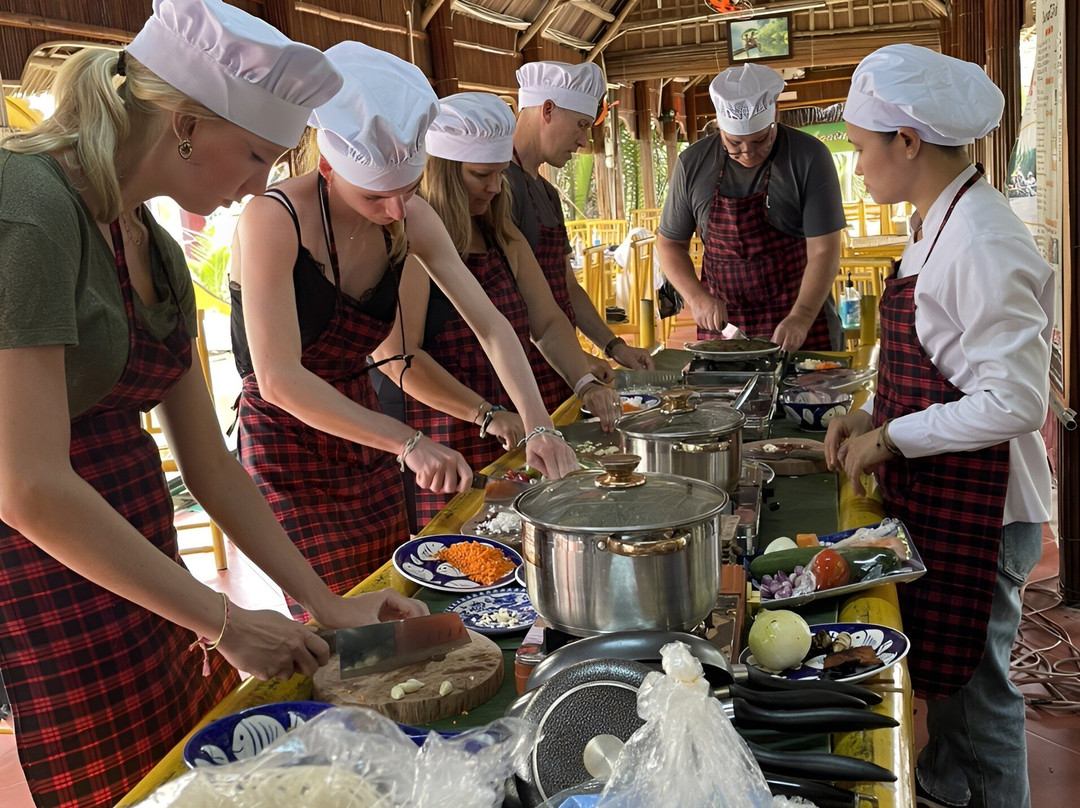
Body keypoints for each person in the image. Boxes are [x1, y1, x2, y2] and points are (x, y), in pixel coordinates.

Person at [0, 2, 428, 806]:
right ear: (188, 126)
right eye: (258, 154)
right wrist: (225, 622)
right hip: (49, 574)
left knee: (181, 776)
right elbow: (25, 485)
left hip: (145, 560)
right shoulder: (26, 204)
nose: (260, 184)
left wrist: (328, 606)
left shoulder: (149, 239)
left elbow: (210, 464)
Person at [231, 43, 578, 605]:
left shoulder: (412, 215)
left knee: (395, 596)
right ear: (326, 166)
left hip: (365, 433)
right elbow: (278, 379)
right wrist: (408, 441)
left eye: (408, 189)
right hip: (287, 439)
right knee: (336, 611)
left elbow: (492, 326)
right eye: (375, 196)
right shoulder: (273, 219)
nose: (396, 212)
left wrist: (538, 425)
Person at [824, 44, 1052, 808]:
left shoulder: (984, 239)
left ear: (909, 143)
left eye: (860, 149)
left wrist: (889, 438)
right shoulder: (936, 219)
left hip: (987, 514)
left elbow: (1017, 400)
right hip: (948, 494)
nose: (857, 168)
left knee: (978, 705)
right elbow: (925, 351)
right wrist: (869, 409)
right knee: (949, 691)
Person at [371, 92, 622, 526]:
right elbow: (401, 360)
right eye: (480, 175)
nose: (493, 187)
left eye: (499, 175)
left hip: (512, 421)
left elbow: (545, 321)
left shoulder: (501, 235)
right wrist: (482, 413)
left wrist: (582, 382)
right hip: (446, 434)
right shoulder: (414, 244)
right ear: (444, 173)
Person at [657, 63, 845, 351]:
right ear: (720, 129)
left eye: (760, 140)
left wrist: (801, 316)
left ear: (775, 119)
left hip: (799, 319)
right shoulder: (692, 164)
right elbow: (670, 245)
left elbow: (824, 251)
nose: (747, 152)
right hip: (726, 326)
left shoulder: (809, 157)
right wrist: (696, 298)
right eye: (734, 143)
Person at [509, 60, 654, 412]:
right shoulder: (498, 187)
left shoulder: (546, 192)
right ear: (547, 109)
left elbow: (565, 286)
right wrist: (578, 365)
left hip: (559, 365)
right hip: (516, 373)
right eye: (581, 125)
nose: (583, 141)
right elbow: (508, 300)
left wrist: (613, 346)